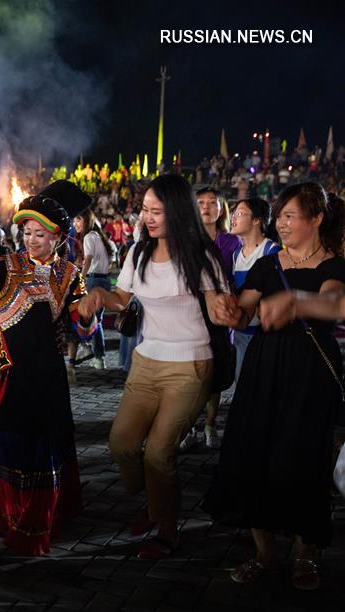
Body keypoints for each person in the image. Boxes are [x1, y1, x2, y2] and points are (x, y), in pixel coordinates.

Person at [77, 174, 229, 560]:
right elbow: (122, 298)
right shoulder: (138, 252)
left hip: (190, 364)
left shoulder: (201, 255)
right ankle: (153, 500)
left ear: (177, 211)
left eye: (156, 211)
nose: (147, 217)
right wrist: (98, 296)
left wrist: (228, 309)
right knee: (122, 444)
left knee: (159, 453)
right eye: (144, 210)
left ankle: (167, 529)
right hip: (146, 362)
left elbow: (217, 307)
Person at [204, 183, 345, 590]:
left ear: (316, 219)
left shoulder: (334, 265)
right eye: (278, 216)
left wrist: (297, 301)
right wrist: (226, 310)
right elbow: (245, 313)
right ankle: (264, 555)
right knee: (253, 454)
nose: (280, 224)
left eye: (290, 216)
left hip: (309, 373)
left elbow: (335, 303)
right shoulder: (268, 265)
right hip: (264, 370)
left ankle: (306, 551)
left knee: (302, 458)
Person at [0, 181, 95, 555]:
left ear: (57, 237)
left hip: (46, 375)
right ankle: (0, 510)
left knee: (42, 442)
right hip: (6, 372)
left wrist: (93, 314)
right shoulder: (5, 266)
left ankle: (37, 513)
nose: (30, 239)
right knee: (5, 438)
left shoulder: (69, 275)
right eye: (26, 232)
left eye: (39, 234)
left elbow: (82, 324)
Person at [178, 186, 240, 451]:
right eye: (200, 202)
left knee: (216, 373)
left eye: (212, 202)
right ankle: (188, 426)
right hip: (188, 314)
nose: (205, 207)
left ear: (221, 208)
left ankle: (210, 424)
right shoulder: (184, 239)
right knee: (188, 376)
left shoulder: (231, 242)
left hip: (218, 316)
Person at [228, 198, 281, 378]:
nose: (233, 218)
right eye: (233, 214)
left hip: (263, 333)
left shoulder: (271, 251)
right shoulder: (236, 254)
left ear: (257, 220)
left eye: (240, 214)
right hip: (240, 331)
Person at [69, 209, 113, 371]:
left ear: (87, 220)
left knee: (85, 317)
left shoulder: (88, 237)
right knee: (97, 321)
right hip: (105, 280)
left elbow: (88, 259)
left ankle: (86, 348)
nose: (75, 224)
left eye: (78, 220)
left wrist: (81, 277)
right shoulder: (98, 236)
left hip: (93, 280)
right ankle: (99, 357)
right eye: (74, 221)